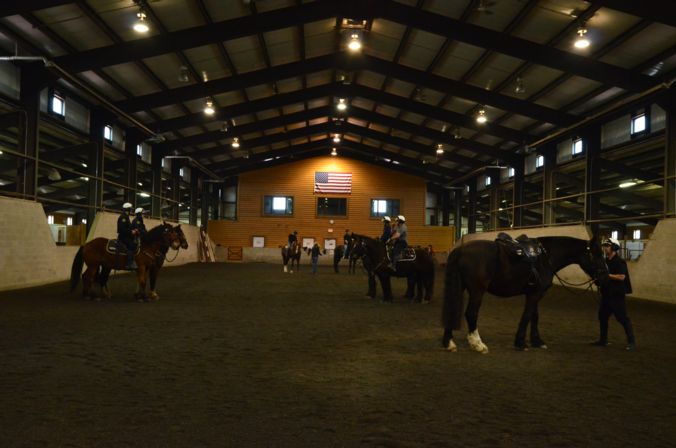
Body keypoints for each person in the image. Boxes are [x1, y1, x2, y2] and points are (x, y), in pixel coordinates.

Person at [592, 237, 635, 351]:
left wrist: (607, 275)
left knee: (623, 319)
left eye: (607, 246)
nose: (605, 248)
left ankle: (631, 342)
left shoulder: (620, 262)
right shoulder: (605, 262)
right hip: (606, 295)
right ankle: (603, 340)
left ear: (614, 248)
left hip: (616, 296)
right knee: (602, 317)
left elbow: (622, 277)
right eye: (604, 246)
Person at [117, 202, 138, 270]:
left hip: (126, 236)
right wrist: (131, 231)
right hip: (123, 237)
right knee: (132, 245)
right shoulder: (123, 217)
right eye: (130, 209)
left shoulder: (126, 217)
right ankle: (129, 263)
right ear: (127, 209)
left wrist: (134, 230)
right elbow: (122, 229)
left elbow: (128, 227)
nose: (131, 211)